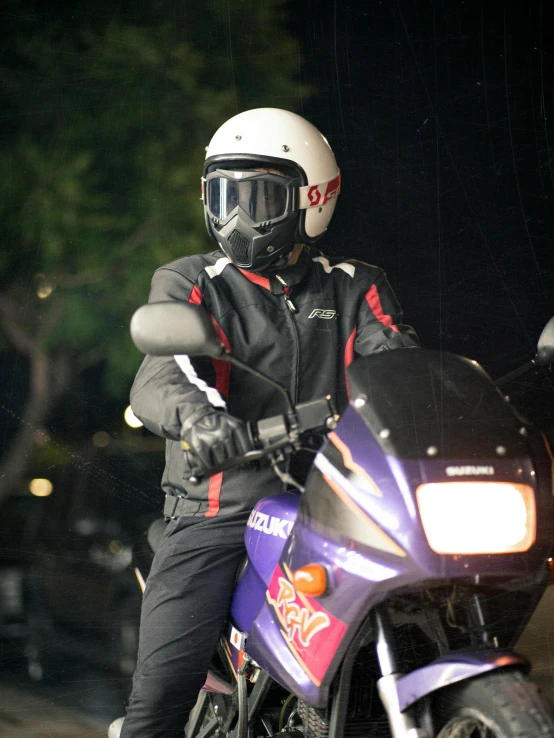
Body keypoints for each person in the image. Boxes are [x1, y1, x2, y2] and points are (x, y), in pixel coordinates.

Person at [114, 108, 418, 738]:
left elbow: (399, 371)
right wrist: (202, 422)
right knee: (160, 695)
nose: (238, 220)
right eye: (224, 199)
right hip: (218, 512)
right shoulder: (192, 280)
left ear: (312, 199)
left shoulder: (356, 286)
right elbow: (161, 372)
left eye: (258, 199)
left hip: (337, 509)